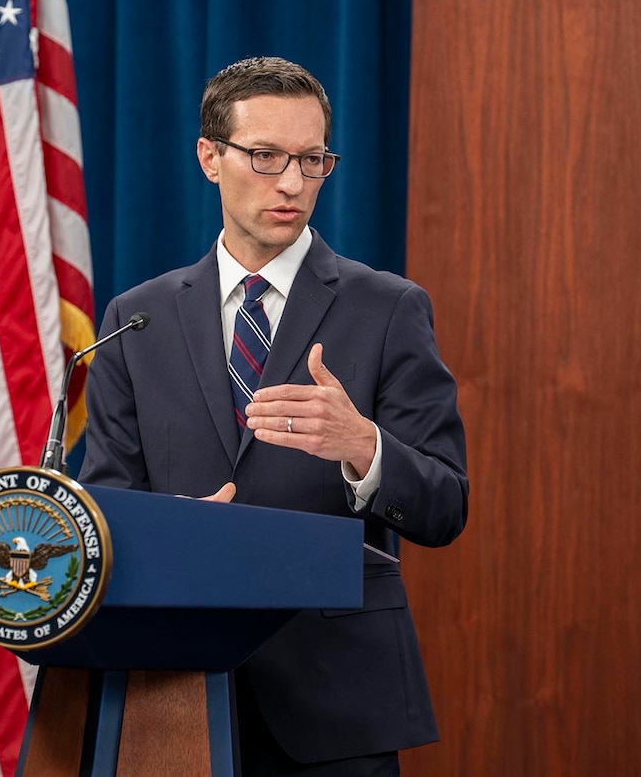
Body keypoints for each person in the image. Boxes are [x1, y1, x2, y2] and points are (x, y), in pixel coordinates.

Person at [79, 55, 469, 775]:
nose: (292, 182)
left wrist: (364, 447)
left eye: (312, 159)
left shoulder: (388, 308)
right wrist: (172, 533)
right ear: (209, 157)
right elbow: (109, 508)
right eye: (265, 156)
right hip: (172, 691)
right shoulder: (137, 320)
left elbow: (446, 504)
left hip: (334, 705)